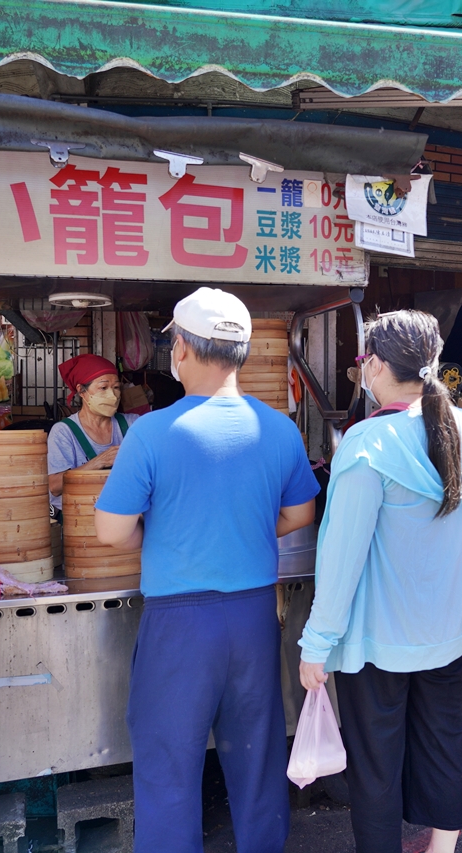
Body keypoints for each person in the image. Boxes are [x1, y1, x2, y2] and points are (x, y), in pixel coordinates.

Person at [94, 287, 319, 853]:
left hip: (179, 624)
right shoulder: (279, 429)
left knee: (168, 764)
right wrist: (241, 529)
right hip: (253, 618)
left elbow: (111, 530)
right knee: (257, 756)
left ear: (184, 352)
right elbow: (300, 512)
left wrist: (168, 533)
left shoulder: (151, 431)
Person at [299, 310, 462, 853]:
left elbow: (341, 559)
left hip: (376, 641)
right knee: (444, 739)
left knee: (376, 760)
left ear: (374, 365)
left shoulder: (366, 445)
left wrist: (317, 644)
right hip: (447, 630)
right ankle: (442, 847)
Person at [47, 354, 140, 518]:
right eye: (103, 388)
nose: (113, 395)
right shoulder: (64, 432)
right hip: (77, 521)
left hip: (122, 519)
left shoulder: (133, 424)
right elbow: (55, 486)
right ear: (81, 391)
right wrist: (99, 461)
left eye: (116, 387)